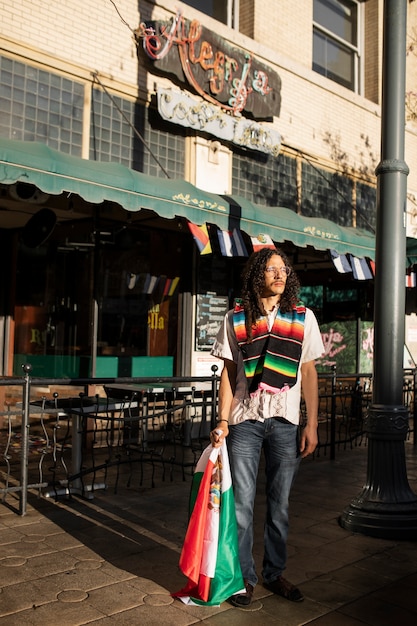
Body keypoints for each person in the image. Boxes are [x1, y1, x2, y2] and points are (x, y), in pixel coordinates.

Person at [210, 247, 324, 608]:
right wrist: (223, 420)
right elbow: (228, 373)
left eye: (284, 269)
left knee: (280, 506)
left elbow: (308, 371)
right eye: (271, 269)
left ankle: (274, 574)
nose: (279, 274)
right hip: (244, 421)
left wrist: (312, 423)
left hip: (286, 422)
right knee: (242, 507)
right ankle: (244, 579)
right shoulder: (236, 317)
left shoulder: (303, 318)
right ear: (257, 275)